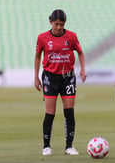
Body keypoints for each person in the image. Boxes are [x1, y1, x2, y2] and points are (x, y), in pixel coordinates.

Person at [34, 9, 87, 156]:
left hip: (68, 77)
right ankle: (46, 146)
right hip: (50, 78)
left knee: (69, 113)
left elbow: (80, 53)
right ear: (50, 22)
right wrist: (36, 77)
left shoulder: (72, 36)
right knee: (50, 113)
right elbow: (38, 56)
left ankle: (69, 146)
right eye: (56, 24)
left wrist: (82, 69)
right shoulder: (42, 38)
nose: (59, 27)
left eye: (61, 24)